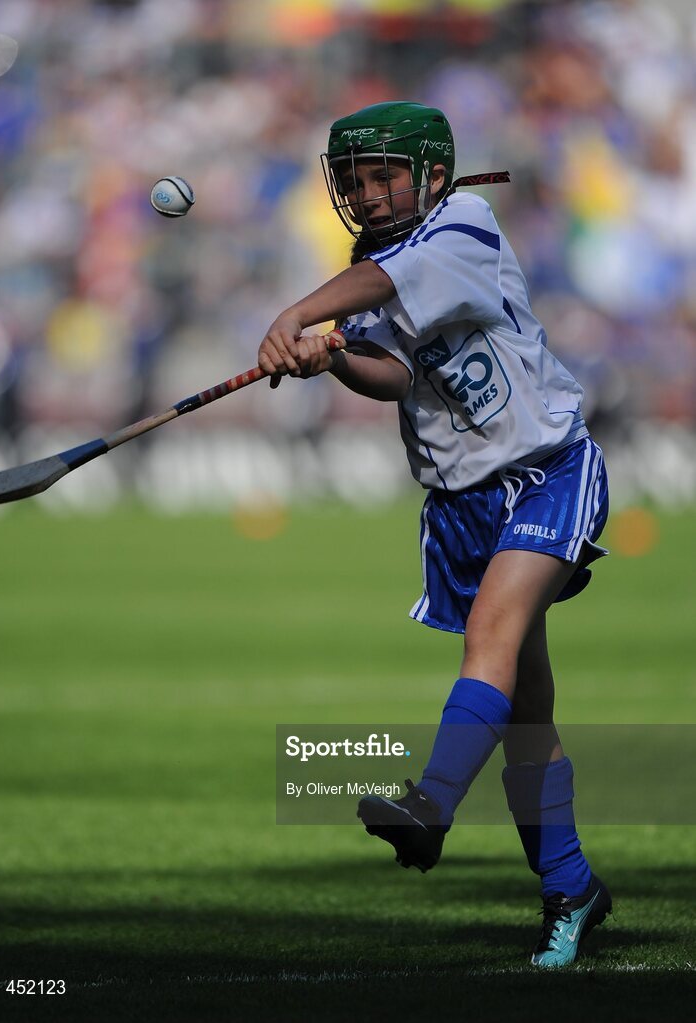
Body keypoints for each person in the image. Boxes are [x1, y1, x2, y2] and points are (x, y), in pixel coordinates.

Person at [258, 101, 612, 968]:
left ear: (434, 175)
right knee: (528, 716)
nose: (371, 194)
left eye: (387, 175)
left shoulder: (465, 224)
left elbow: (388, 282)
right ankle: (572, 888)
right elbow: (396, 373)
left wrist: (298, 313)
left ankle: (432, 805)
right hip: (461, 506)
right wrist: (335, 355)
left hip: (546, 471)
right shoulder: (371, 265)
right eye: (356, 179)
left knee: (490, 637)